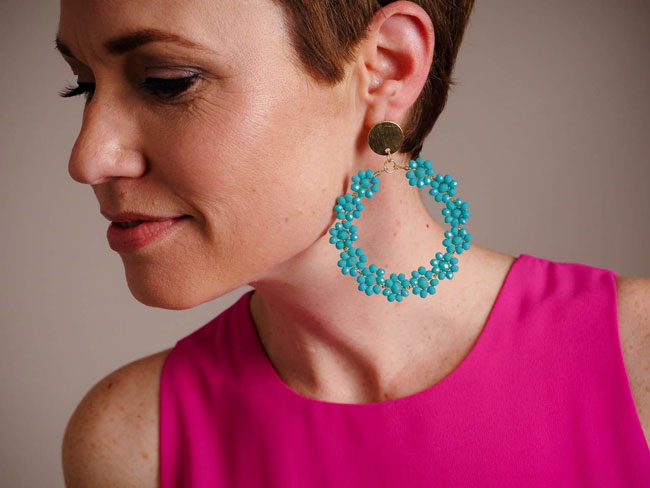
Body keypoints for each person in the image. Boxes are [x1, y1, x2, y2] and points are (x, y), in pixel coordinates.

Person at [55, 0, 650, 486]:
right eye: (83, 86)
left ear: (387, 68)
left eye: (167, 82)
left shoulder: (639, 355)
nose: (88, 159)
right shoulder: (133, 440)